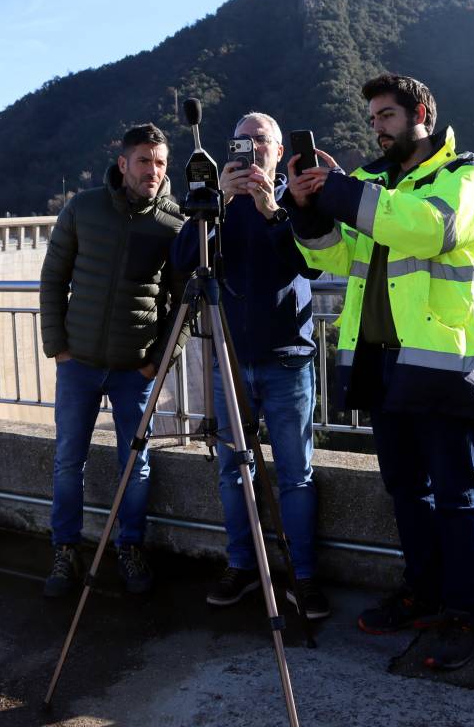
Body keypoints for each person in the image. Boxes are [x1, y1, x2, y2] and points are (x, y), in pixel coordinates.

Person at [287, 74, 474, 669]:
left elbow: (430, 229)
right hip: (382, 361)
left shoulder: (464, 176)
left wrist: (341, 191)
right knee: (406, 490)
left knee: (456, 496)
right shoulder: (374, 184)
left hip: (444, 362)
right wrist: (307, 208)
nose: (377, 128)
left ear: (420, 113)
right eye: (373, 119)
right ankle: (422, 593)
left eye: (387, 116)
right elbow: (334, 256)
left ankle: (464, 614)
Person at [172, 112, 329, 620]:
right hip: (231, 361)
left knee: (295, 475)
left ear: (279, 150)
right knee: (231, 472)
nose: (251, 148)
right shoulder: (221, 204)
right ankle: (241, 565)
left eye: (260, 140)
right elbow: (183, 259)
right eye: (241, 141)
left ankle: (304, 577)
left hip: (287, 360)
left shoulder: (297, 201)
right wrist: (214, 203)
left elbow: (312, 263)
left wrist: (272, 211)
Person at [39, 123, 185, 598]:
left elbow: (183, 304)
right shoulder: (83, 209)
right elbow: (53, 277)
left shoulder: (173, 224)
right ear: (123, 164)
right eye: (144, 161)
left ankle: (130, 546)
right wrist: (58, 348)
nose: (153, 171)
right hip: (78, 365)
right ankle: (66, 551)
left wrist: (157, 362)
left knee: (135, 465)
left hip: (134, 370)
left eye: (160, 163)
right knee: (68, 461)